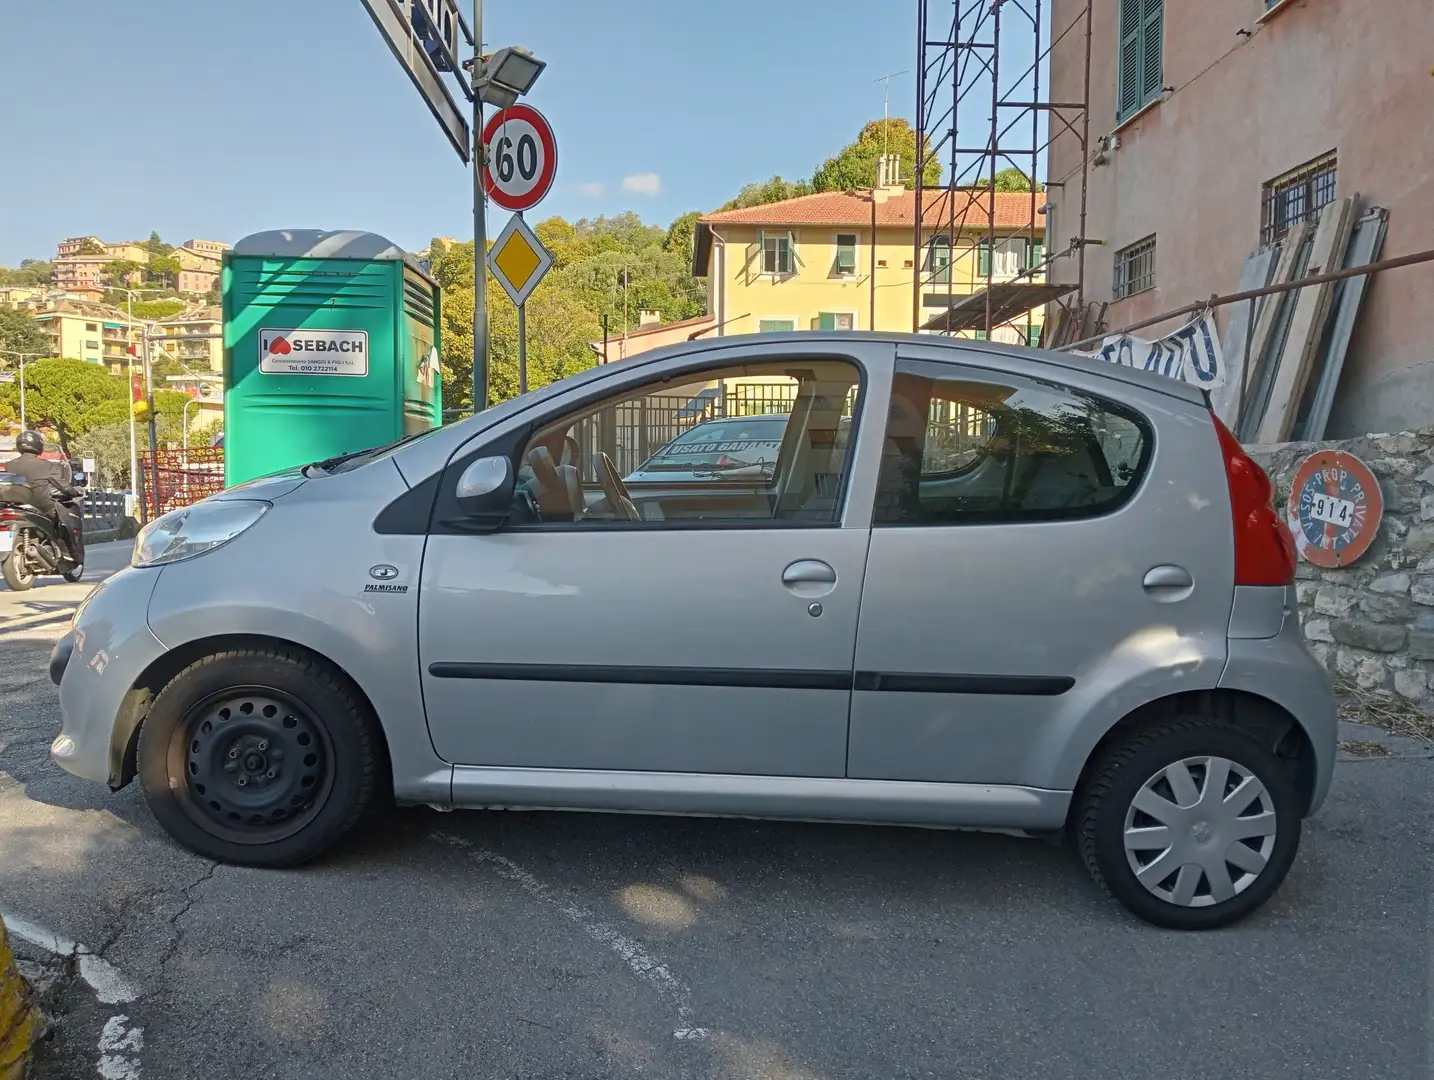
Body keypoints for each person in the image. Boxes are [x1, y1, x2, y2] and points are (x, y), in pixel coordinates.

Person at [2, 430, 82, 558]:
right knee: (62, 520)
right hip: (40, 504)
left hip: (13, 504)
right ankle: (66, 552)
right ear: (38, 445)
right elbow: (62, 485)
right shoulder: (46, 465)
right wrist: (75, 492)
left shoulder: (8, 465)